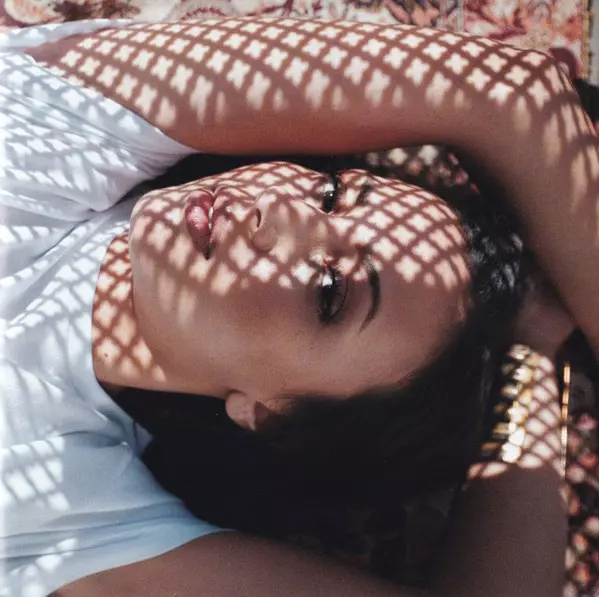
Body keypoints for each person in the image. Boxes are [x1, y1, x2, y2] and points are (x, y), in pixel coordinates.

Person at [0, 14, 591, 597]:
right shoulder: (60, 131)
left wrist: (530, 356)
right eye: (332, 195)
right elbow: (506, 90)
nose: (276, 210)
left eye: (329, 292)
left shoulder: (76, 506)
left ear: (270, 412)